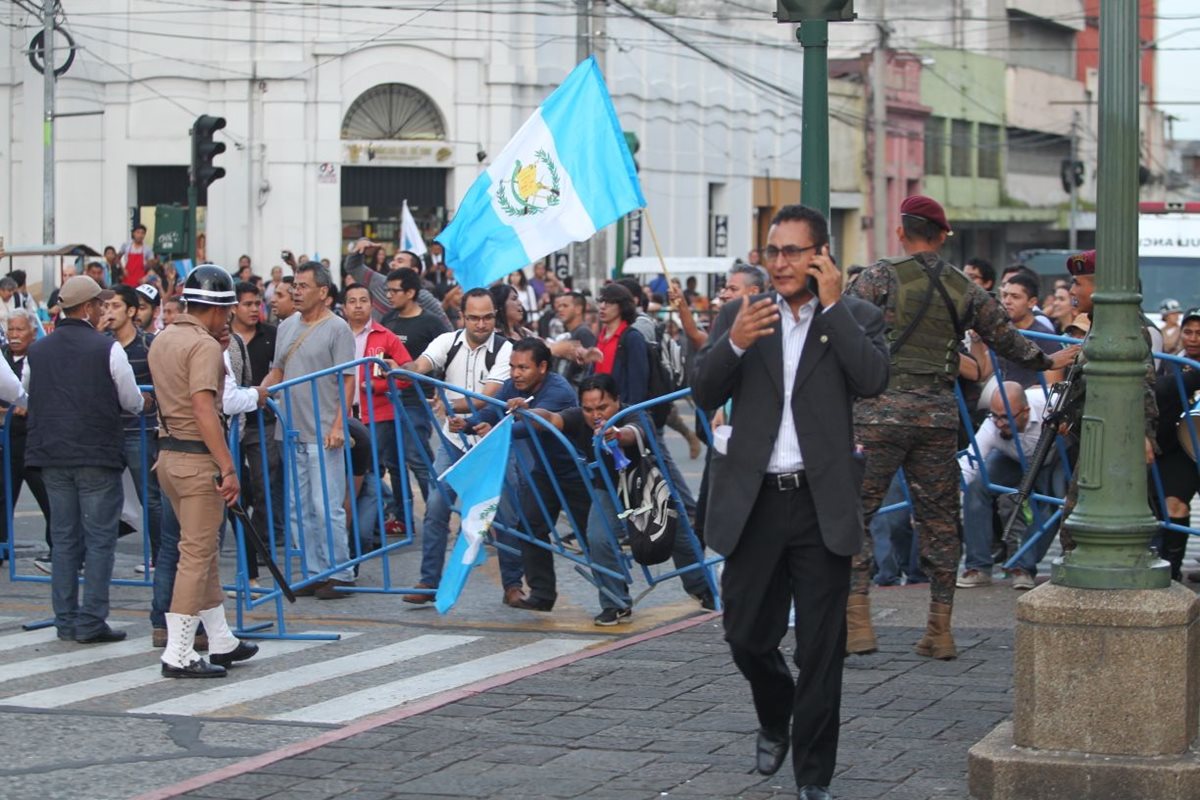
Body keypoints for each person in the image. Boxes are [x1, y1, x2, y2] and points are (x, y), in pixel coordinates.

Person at [691, 204, 889, 800]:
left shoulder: (856, 316)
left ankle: (813, 778)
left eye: (793, 252)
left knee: (821, 651)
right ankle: (775, 713)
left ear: (821, 257)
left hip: (818, 502)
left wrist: (832, 309)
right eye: (772, 251)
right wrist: (732, 345)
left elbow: (873, 379)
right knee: (746, 636)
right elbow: (703, 388)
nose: (779, 263)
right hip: (754, 502)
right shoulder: (741, 313)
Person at [844, 195, 1076, 661]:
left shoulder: (877, 276)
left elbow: (843, 331)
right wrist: (1048, 360)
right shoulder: (963, 288)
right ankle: (939, 629)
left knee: (855, 513)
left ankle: (857, 622)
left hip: (878, 413)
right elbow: (1007, 338)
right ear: (943, 234)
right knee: (940, 522)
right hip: (937, 418)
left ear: (900, 231)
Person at [149, 265, 260, 677]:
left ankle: (221, 639)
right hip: (197, 458)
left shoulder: (164, 338)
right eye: (227, 311)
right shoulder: (204, 346)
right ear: (216, 310)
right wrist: (228, 466)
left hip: (169, 455)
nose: (228, 318)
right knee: (195, 555)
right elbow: (203, 408)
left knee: (203, 550)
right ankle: (178, 652)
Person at [23, 275, 145, 644]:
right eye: (100, 304)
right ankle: (91, 619)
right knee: (99, 540)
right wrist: (146, 402)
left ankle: (65, 619)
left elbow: (28, 389)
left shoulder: (39, 350)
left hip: (51, 454)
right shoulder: (106, 348)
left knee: (63, 541)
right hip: (95, 453)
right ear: (89, 308)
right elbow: (131, 400)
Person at [400, 288, 524, 606]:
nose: (481, 325)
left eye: (487, 318)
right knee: (436, 509)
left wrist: (447, 403)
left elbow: (488, 396)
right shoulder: (448, 341)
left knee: (506, 513)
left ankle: (513, 585)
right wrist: (400, 369)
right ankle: (429, 581)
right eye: (474, 318)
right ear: (462, 317)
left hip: (492, 442)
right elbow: (422, 364)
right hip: (453, 442)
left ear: (495, 317)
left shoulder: (506, 350)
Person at [502, 373, 641, 625]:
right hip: (592, 483)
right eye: (589, 408)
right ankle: (614, 602)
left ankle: (701, 585)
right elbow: (551, 419)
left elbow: (633, 432)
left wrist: (618, 434)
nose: (596, 414)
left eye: (602, 407)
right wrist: (529, 411)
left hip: (642, 482)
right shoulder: (573, 413)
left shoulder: (631, 414)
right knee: (591, 537)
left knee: (679, 537)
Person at [455, 339, 581, 613]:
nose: (515, 373)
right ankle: (542, 594)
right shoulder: (515, 386)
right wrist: (468, 424)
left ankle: (618, 597)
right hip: (544, 471)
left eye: (523, 367)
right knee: (530, 527)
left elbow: (531, 425)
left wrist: (498, 429)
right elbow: (492, 408)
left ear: (543, 367)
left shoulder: (557, 390)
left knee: (594, 538)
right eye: (512, 367)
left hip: (576, 470)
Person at [261, 262, 358, 600]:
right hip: (290, 428)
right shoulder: (286, 327)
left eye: (303, 286)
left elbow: (348, 378)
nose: (297, 292)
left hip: (323, 431)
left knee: (326, 504)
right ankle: (315, 572)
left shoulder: (338, 328)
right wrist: (256, 394)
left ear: (323, 292)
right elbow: (277, 371)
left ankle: (341, 572)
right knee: (297, 507)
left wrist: (338, 424)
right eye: (295, 286)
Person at [958, 382, 1066, 590]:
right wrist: (957, 487)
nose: (999, 423)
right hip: (1011, 459)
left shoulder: (1047, 403)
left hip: (1052, 458)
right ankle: (978, 567)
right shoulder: (992, 426)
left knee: (1054, 501)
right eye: (995, 416)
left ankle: (1024, 567)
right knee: (977, 486)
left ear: (1025, 411)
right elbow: (971, 461)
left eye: (1006, 417)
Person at [101, 285, 163, 574]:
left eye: (114, 306)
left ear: (131, 311)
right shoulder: (100, 344)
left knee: (149, 497)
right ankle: (94, 558)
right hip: (109, 432)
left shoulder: (150, 344)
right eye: (105, 306)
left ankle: (161, 558)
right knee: (101, 497)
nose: (108, 312)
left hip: (142, 431)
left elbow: (163, 388)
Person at [344, 282, 412, 537]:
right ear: (344, 306)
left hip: (378, 417)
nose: (358, 305)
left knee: (371, 472)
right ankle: (367, 527)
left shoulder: (385, 336)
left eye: (363, 300)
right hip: (344, 417)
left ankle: (367, 532)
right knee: (352, 475)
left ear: (372, 305)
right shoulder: (337, 334)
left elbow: (408, 373)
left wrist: (378, 385)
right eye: (353, 301)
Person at [381, 267, 450, 503]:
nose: (389, 296)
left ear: (410, 292)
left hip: (415, 401)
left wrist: (442, 392)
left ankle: (436, 511)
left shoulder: (431, 323)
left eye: (394, 291)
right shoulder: (388, 320)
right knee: (393, 462)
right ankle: (402, 517)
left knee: (417, 457)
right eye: (387, 290)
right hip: (385, 401)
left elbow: (446, 360)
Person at [1, 310, 51, 572]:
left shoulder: (40, 358)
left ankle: (56, 549)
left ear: (33, 332)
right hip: (7, 440)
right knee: (3, 495)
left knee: (46, 494)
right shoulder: (4, 359)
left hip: (33, 439)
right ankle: (2, 546)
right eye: (10, 330)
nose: (14, 335)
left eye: (19, 330)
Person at [344, 238, 450, 326]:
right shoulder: (378, 282)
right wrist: (359, 249)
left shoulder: (423, 297)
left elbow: (445, 327)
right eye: (393, 261)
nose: (393, 264)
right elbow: (352, 267)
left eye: (400, 261)